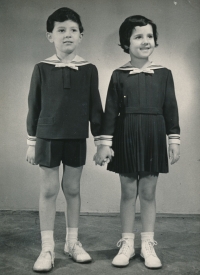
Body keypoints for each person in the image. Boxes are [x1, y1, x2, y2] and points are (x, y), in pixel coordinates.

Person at [94, 15, 180, 269]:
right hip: (127, 134)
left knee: (148, 192)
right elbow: (110, 112)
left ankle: (148, 244)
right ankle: (128, 243)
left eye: (149, 36)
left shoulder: (164, 74)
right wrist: (105, 144)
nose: (145, 41)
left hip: (154, 133)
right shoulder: (119, 75)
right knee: (129, 191)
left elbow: (171, 108)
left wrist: (173, 139)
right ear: (126, 42)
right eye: (138, 36)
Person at [26, 7, 103, 272]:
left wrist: (102, 142)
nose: (67, 35)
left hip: (75, 138)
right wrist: (31, 142)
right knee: (48, 190)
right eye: (61, 30)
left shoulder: (89, 69)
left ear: (81, 35)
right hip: (47, 138)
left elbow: (96, 109)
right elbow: (33, 108)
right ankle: (47, 248)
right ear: (50, 36)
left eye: (73, 30)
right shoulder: (42, 68)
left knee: (72, 189)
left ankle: (72, 243)